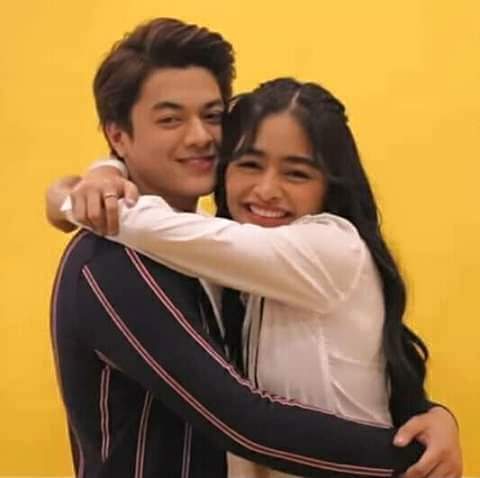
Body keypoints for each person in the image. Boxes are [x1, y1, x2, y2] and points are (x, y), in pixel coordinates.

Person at [48, 73, 462, 478]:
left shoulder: (330, 247)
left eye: (297, 173)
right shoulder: (230, 263)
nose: (266, 190)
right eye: (249, 164)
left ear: (330, 185)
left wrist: (76, 196)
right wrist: (104, 173)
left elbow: (249, 422)